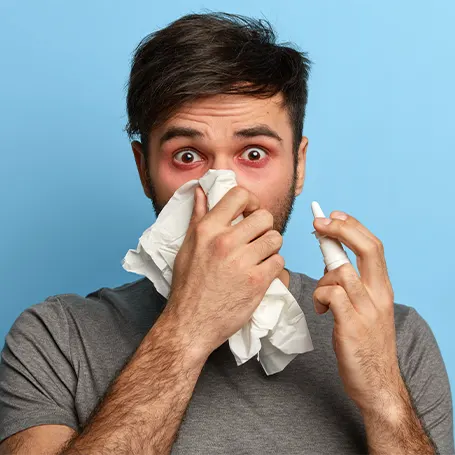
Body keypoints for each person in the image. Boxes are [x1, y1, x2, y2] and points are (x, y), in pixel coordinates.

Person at [0, 12, 453, 455]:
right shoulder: (56, 337)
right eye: (187, 156)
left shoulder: (395, 336)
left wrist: (383, 393)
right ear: (144, 169)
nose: (224, 191)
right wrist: (187, 329)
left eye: (254, 153)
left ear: (299, 166)